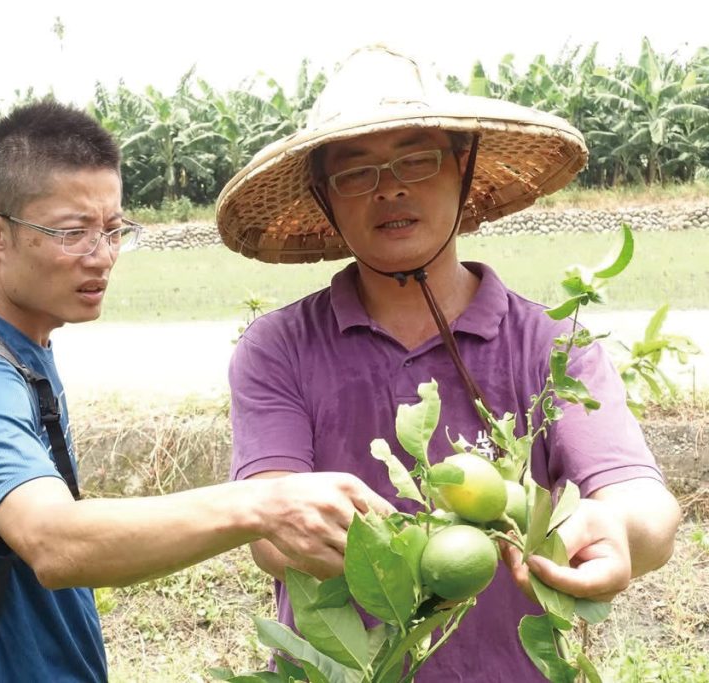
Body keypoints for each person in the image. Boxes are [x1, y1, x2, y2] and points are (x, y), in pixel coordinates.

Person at [218, 45, 682, 680]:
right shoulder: (278, 347)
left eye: (417, 158)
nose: (392, 188)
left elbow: (643, 504)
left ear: (462, 169)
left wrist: (619, 530)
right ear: (325, 197)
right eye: (357, 172)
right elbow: (269, 530)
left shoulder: (550, 342)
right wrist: (335, 536)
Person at [0, 100, 385, 682]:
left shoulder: (19, 341)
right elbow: (53, 541)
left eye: (113, 230)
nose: (102, 257)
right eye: (73, 233)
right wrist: (259, 504)